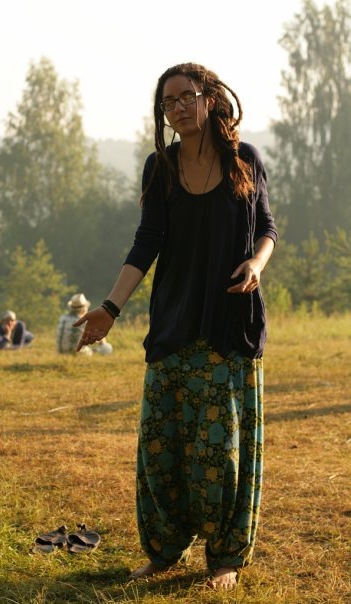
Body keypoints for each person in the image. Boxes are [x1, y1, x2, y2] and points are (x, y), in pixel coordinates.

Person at [74, 62, 278, 590]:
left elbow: (268, 229)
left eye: (187, 96)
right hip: (173, 323)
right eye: (169, 102)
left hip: (229, 323)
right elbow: (147, 242)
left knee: (222, 450)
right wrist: (109, 308)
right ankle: (164, 550)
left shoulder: (244, 158)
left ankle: (226, 557)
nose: (179, 108)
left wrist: (256, 264)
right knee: (160, 445)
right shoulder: (160, 168)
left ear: (209, 98)